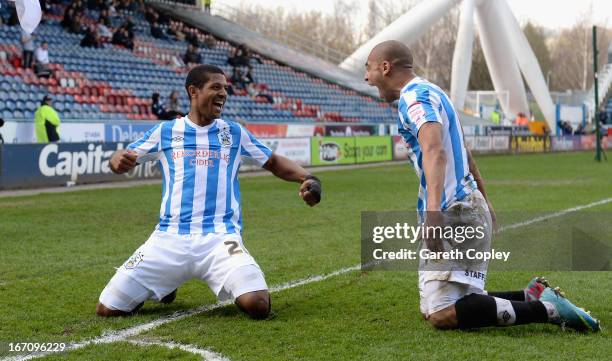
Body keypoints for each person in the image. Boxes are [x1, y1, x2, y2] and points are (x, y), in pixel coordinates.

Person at [363, 40, 600, 332]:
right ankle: (533, 296)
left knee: (441, 314)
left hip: (454, 211)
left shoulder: (414, 98)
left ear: (385, 67)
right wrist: (485, 202)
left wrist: (434, 212)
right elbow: (467, 155)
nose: (366, 77)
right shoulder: (434, 93)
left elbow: (435, 151)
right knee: (452, 305)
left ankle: (548, 310)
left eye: (369, 69)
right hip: (466, 206)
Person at [96, 64, 322, 318]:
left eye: (225, 88)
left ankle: (168, 281)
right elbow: (122, 158)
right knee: (108, 308)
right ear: (193, 91)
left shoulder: (234, 132)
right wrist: (116, 160)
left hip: (220, 238)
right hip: (169, 239)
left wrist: (308, 177)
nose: (223, 93)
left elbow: (273, 161)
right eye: (216, 87)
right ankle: (166, 281)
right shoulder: (166, 131)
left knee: (257, 305)